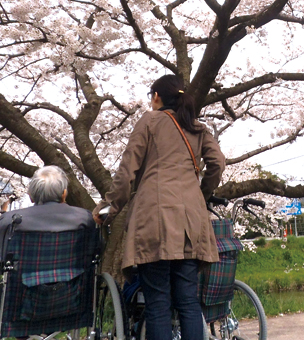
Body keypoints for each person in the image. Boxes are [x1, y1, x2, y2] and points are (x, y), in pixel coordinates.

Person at [94, 75, 226, 340]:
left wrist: (108, 208)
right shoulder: (198, 128)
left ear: (156, 97)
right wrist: (201, 193)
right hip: (191, 223)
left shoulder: (150, 121)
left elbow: (126, 172)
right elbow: (218, 164)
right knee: (188, 301)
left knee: (158, 304)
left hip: (154, 220)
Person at [0, 165, 95, 271]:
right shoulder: (84, 218)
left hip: (22, 289)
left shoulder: (11, 220)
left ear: (31, 196)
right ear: (64, 194)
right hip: (72, 286)